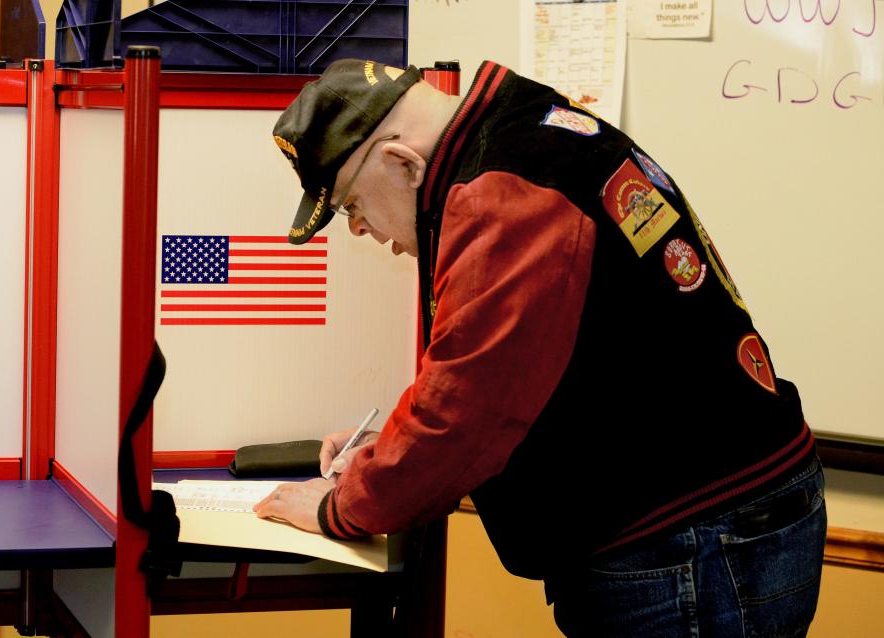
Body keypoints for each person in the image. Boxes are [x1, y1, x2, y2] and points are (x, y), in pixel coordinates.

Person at [254, 58, 826, 638]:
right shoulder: (528, 129)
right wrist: (389, 452)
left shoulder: (500, 192)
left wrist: (338, 504)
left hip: (691, 548)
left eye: (351, 204)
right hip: (716, 526)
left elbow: (463, 413)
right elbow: (518, 376)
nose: (359, 229)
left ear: (401, 162)